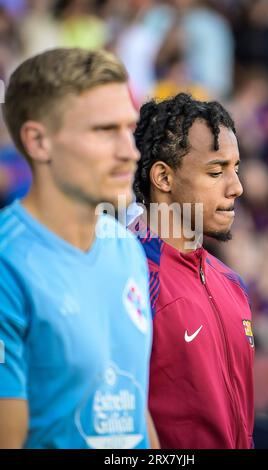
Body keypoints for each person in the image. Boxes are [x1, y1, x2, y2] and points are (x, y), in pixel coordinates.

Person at [0, 47, 157, 449]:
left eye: (130, 128)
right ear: (38, 141)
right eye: (105, 131)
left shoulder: (127, 249)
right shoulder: (7, 263)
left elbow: (136, 409)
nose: (130, 151)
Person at [130, 93, 254, 449]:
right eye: (216, 172)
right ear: (163, 178)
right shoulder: (126, 276)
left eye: (236, 168)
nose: (237, 187)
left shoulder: (232, 284)